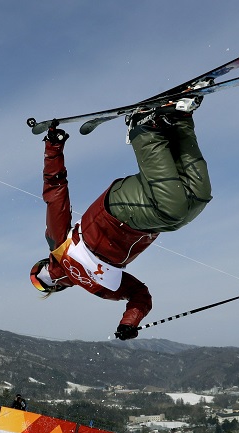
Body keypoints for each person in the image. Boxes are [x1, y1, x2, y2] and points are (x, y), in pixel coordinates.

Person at [29, 101, 212, 340]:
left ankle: (141, 128)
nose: (48, 279)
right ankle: (179, 121)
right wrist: (129, 322)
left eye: (42, 278)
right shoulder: (99, 288)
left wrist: (53, 147)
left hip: (117, 210)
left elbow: (55, 194)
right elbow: (139, 295)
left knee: (174, 209)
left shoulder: (58, 247)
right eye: (42, 283)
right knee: (196, 199)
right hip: (146, 225)